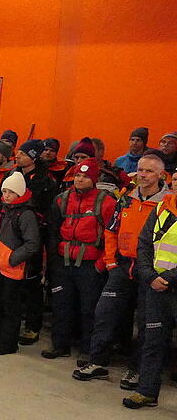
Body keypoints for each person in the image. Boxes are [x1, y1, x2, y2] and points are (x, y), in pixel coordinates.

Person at [73, 154, 167, 387]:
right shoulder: (126, 198)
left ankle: (136, 370)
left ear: (161, 176)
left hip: (151, 271)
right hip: (122, 266)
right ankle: (97, 362)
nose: (143, 175)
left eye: (149, 171)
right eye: (141, 170)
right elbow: (111, 230)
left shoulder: (168, 204)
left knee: (145, 323)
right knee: (104, 312)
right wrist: (111, 262)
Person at [43, 159, 117, 360]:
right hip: (63, 262)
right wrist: (53, 261)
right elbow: (53, 231)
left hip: (90, 265)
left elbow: (112, 235)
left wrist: (101, 264)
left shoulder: (107, 202)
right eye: (77, 175)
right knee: (61, 305)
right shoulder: (61, 199)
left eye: (85, 176)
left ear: (94, 179)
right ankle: (60, 345)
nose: (80, 179)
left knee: (89, 309)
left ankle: (87, 350)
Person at [122, 189, 177, 409]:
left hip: (167, 283)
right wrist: (149, 275)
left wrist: (168, 278)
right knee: (153, 341)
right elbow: (143, 243)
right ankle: (146, 391)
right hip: (156, 287)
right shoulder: (161, 208)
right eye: (175, 180)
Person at [0, 172, 41, 355]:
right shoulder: (4, 210)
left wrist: (11, 259)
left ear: (20, 193)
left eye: (10, 192)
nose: (6, 195)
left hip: (13, 269)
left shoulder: (26, 214)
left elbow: (32, 244)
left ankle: (7, 343)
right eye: (4, 191)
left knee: (10, 308)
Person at [14, 139, 58, 346]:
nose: (18, 156)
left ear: (33, 156)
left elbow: (47, 211)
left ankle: (32, 326)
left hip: (33, 235)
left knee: (31, 282)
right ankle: (11, 320)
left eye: (23, 153)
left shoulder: (45, 181)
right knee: (9, 279)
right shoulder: (13, 175)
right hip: (11, 234)